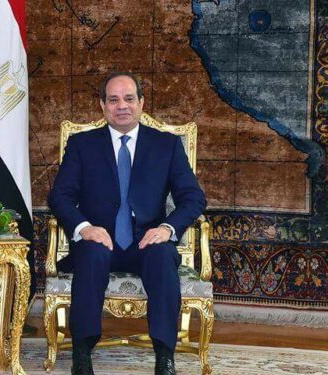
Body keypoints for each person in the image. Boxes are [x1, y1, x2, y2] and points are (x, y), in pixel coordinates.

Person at [47, 73, 206, 375]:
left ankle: (164, 356)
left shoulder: (166, 145)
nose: (122, 106)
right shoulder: (82, 145)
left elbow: (193, 198)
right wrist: (84, 228)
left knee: (162, 255)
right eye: (114, 99)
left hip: (146, 242)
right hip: (100, 240)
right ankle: (82, 354)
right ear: (102, 105)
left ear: (142, 103)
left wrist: (168, 229)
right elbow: (60, 197)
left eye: (129, 98)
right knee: (90, 252)